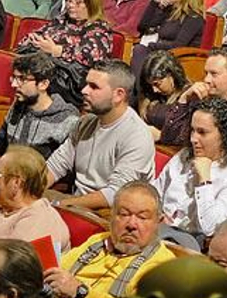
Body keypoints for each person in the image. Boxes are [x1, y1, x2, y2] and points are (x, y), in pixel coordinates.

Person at [45, 62, 156, 210]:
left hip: (106, 215)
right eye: (86, 84)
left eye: (94, 87)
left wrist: (61, 205)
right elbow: (56, 164)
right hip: (75, 203)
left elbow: (115, 194)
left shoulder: (136, 136)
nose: (84, 90)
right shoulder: (86, 122)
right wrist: (28, 191)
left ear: (119, 95)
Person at [152, 96, 227, 246]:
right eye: (192, 130)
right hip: (159, 230)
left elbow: (212, 228)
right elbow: (155, 192)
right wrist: (156, 213)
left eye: (202, 132)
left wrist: (204, 180)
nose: (193, 139)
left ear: (224, 136)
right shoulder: (183, 156)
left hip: (192, 244)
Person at [0, 52, 80, 165]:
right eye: (14, 77)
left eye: (21, 79)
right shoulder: (19, 105)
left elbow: (60, 171)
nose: (14, 84)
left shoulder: (66, 119)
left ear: (43, 84)